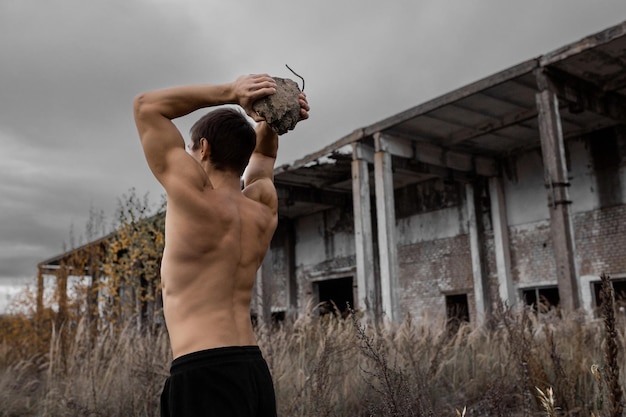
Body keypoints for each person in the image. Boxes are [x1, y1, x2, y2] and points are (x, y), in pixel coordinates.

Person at [133, 74, 309, 417]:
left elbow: (146, 107)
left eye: (190, 148)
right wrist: (274, 116)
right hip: (253, 371)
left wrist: (233, 93)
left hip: (204, 372)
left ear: (203, 148)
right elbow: (265, 158)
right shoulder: (261, 204)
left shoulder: (193, 199)